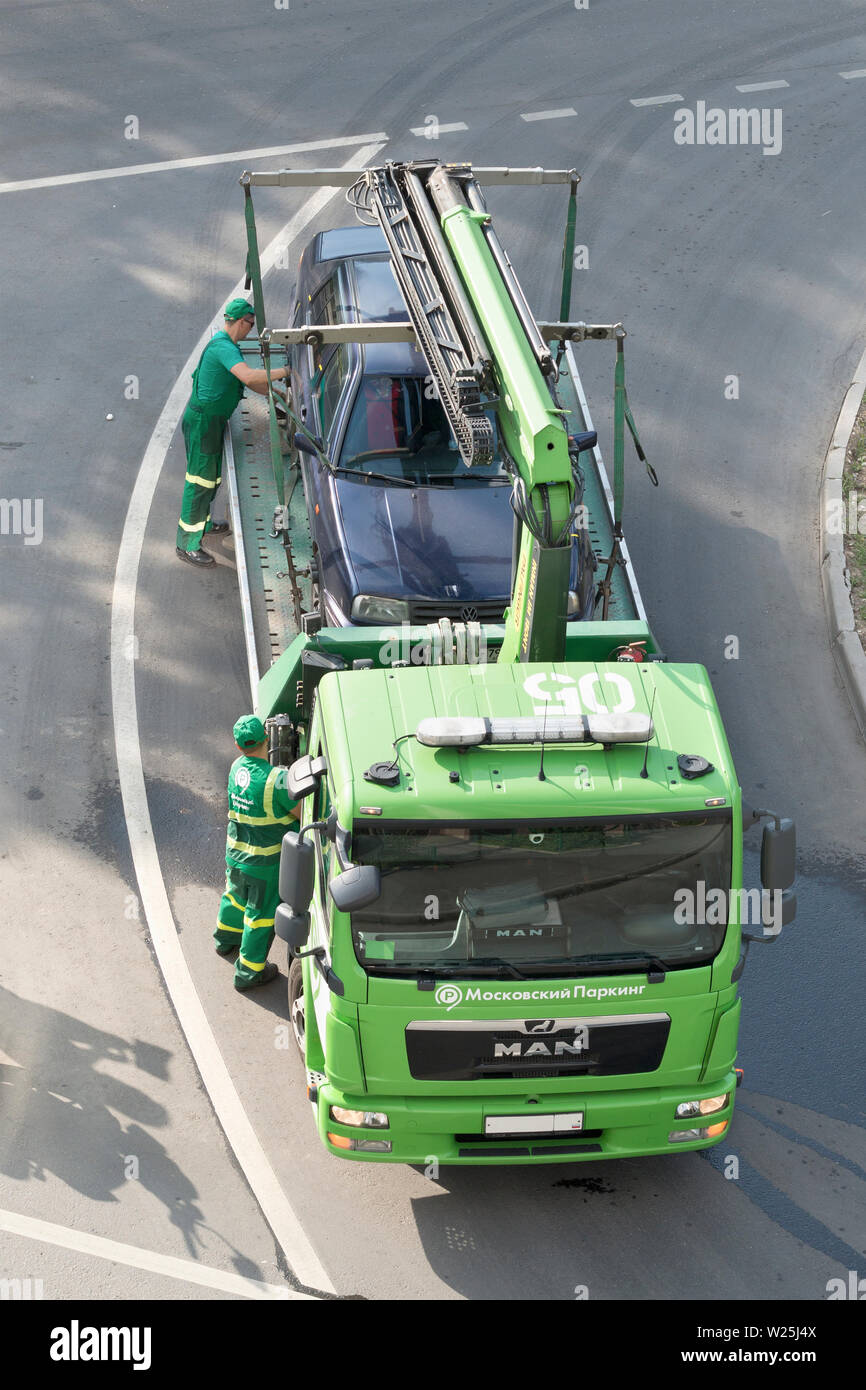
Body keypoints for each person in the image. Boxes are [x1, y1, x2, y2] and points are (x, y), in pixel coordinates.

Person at [176, 298, 289, 567]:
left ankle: (202, 524)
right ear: (240, 322)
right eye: (250, 324)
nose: (250, 329)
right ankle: (187, 544)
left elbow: (250, 383)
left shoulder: (229, 348)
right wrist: (285, 371)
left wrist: (279, 396)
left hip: (211, 422)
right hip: (204, 424)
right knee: (199, 481)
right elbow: (249, 377)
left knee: (210, 479)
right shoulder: (224, 349)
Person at [214, 714, 300, 991]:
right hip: (264, 863)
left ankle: (225, 940)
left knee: (234, 898)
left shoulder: (235, 767)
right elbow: (301, 812)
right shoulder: (277, 779)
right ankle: (248, 974)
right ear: (267, 739)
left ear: (239, 746)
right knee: (259, 917)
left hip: (235, 853)